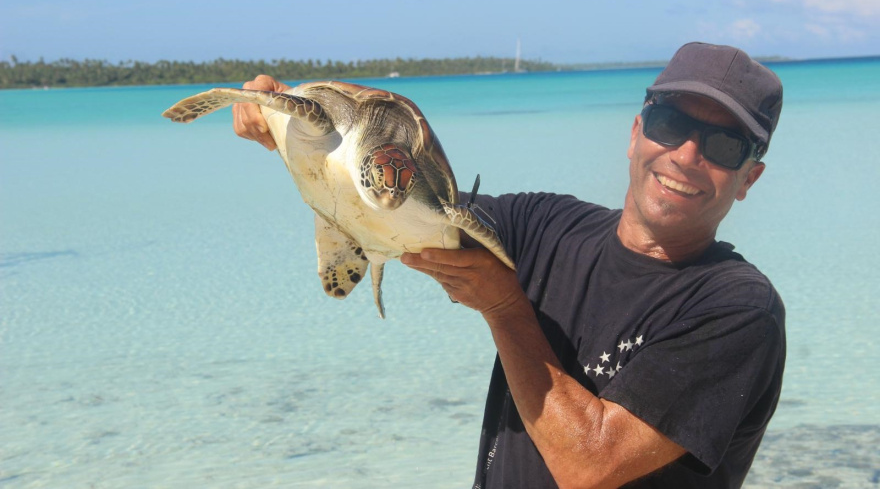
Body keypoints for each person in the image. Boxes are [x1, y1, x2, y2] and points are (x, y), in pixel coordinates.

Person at [232, 42, 786, 489]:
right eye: (669, 123)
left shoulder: (737, 310)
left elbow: (589, 467)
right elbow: (398, 204)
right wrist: (299, 126)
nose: (687, 156)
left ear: (748, 180)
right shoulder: (545, 225)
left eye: (723, 144)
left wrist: (503, 306)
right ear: (636, 133)